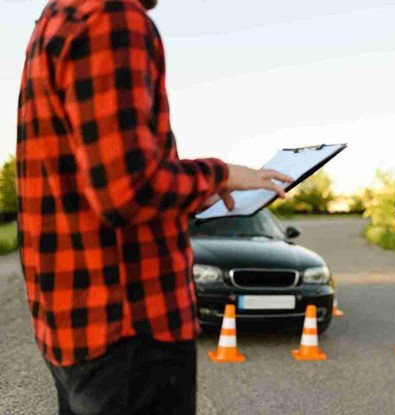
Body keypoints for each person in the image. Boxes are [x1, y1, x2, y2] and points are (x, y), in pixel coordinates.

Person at [16, 0, 292, 413]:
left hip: (75, 321)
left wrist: (199, 188)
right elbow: (127, 192)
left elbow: (102, 174)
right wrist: (217, 174)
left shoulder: (59, 18)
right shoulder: (111, 17)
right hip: (132, 327)